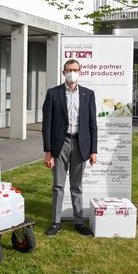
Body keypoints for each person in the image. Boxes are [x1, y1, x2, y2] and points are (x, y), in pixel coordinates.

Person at [42, 59, 97, 237]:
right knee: (58, 185)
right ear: (63, 72)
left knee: (77, 185)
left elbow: (92, 125)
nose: (72, 72)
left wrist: (93, 150)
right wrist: (48, 151)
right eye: (68, 70)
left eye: (75, 69)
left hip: (81, 144)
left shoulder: (88, 94)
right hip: (61, 144)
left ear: (80, 72)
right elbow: (47, 125)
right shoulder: (53, 93)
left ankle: (79, 222)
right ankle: (56, 222)